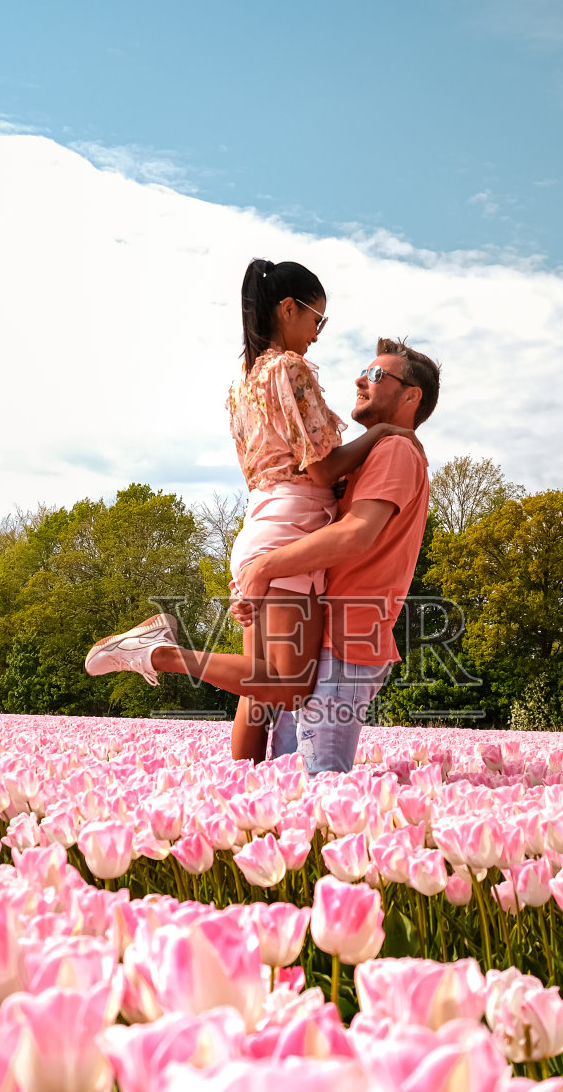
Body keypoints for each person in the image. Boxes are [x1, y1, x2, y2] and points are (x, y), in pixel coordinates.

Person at [83, 260, 420, 760]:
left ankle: (244, 801)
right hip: (292, 525)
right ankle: (158, 653)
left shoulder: (244, 381)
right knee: (288, 684)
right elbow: (323, 470)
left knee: (257, 695)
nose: (316, 335)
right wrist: (381, 432)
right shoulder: (288, 369)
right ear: (288, 309)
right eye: (316, 321)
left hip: (261, 520)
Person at [237, 337, 436, 772]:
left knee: (317, 787)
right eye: (365, 370)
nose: (361, 379)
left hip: (346, 644)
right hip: (324, 638)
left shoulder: (395, 450)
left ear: (411, 396)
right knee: (287, 776)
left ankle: (163, 655)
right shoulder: (369, 452)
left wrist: (265, 566)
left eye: (378, 374)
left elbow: (356, 534)